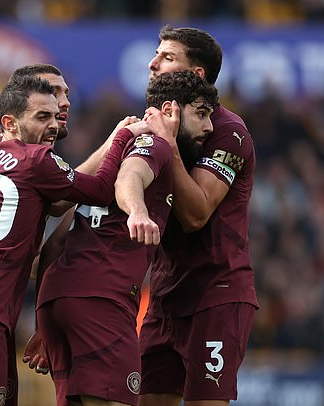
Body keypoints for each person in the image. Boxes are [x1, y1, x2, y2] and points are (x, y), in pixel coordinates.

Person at [0, 76, 137, 406]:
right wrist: (118, 139)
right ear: (10, 123)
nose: (56, 120)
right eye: (42, 116)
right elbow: (100, 190)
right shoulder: (36, 159)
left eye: (59, 107)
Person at [35, 71, 218, 406]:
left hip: (58, 300)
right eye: (202, 114)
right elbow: (129, 179)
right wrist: (136, 211)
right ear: (171, 111)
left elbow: (57, 241)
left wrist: (42, 318)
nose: (208, 128)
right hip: (101, 301)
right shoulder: (155, 143)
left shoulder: (115, 149)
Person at [138, 25, 258, 406]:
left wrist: (169, 145)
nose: (153, 63)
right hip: (164, 297)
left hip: (216, 295)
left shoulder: (227, 132)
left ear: (196, 74)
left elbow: (196, 215)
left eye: (167, 57)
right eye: (157, 54)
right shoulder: (149, 125)